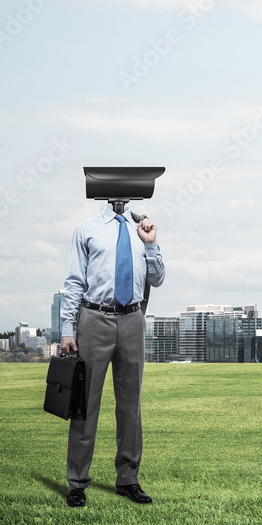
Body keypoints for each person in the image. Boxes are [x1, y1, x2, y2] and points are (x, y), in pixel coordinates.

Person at [59, 203, 165, 508]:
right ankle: (77, 483)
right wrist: (68, 329)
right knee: (84, 404)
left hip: (133, 320)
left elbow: (157, 279)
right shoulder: (87, 230)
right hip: (94, 319)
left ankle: (128, 480)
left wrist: (152, 244)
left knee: (131, 405)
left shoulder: (142, 230)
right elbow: (75, 281)